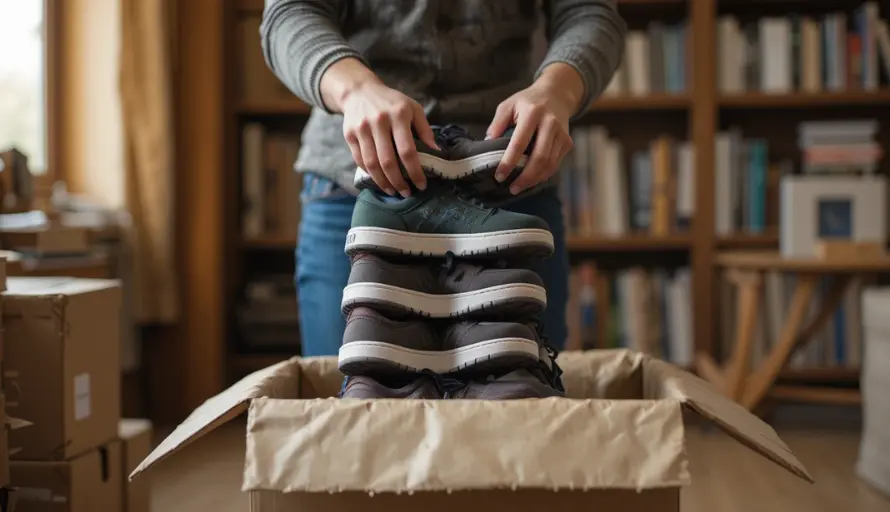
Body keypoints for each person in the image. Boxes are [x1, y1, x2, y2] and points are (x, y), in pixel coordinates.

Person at [261, 0, 626, 357]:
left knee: (521, 402)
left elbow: (589, 11)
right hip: (355, 186)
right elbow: (289, 11)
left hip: (511, 184)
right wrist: (355, 89)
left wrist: (557, 90)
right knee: (350, 406)